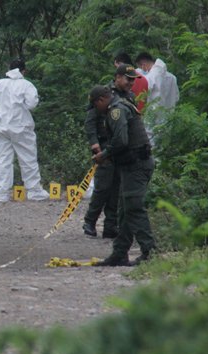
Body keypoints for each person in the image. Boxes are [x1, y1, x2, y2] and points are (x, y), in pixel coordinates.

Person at [88, 85, 156, 266]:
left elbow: (121, 140)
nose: (96, 110)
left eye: (96, 105)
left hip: (137, 164)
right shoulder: (122, 105)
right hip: (130, 165)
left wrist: (104, 155)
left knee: (133, 207)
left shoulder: (116, 111)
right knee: (124, 210)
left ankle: (150, 251)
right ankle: (119, 253)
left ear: (101, 100)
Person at [82, 64, 140, 238]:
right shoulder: (104, 94)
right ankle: (90, 222)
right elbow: (90, 121)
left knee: (117, 188)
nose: (131, 83)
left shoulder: (130, 96)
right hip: (105, 146)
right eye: (128, 79)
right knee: (103, 187)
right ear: (118, 77)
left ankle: (110, 225)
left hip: (121, 148)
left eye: (133, 80)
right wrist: (95, 145)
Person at [0, 59, 49, 202]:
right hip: (21, 126)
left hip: (0, 126)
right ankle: (34, 191)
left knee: (2, 160)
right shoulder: (26, 85)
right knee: (28, 159)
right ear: (23, 71)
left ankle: (1, 194)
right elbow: (32, 104)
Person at [135, 52, 179, 143]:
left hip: (152, 120)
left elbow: (142, 98)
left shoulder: (149, 78)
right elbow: (176, 97)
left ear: (143, 65)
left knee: (153, 150)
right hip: (168, 119)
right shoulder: (172, 77)